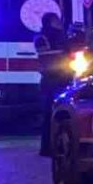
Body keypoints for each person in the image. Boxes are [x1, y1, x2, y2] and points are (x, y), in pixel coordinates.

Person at [34, 13, 71, 156]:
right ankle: (49, 148)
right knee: (52, 115)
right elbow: (54, 57)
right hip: (53, 81)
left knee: (55, 115)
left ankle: (53, 147)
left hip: (57, 80)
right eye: (56, 20)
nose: (59, 23)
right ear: (49, 22)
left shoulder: (52, 37)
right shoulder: (45, 38)